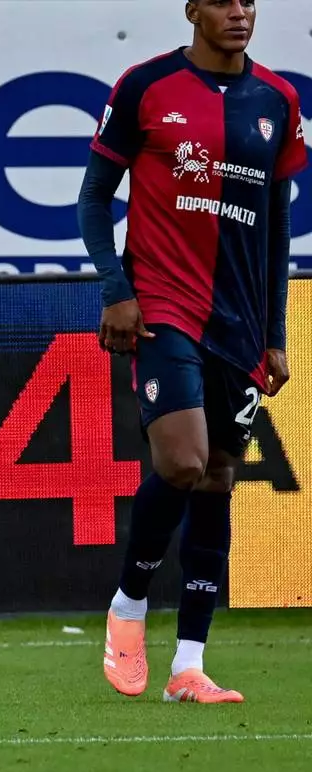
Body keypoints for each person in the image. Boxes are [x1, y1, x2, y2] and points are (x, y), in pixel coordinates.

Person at [78, 0, 306, 703]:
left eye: (250, 2)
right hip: (164, 306)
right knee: (180, 461)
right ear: (193, 11)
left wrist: (274, 334)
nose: (240, 13)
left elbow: (275, 226)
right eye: (224, 1)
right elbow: (92, 200)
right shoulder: (146, 86)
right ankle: (128, 604)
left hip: (238, 320)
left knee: (216, 478)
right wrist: (117, 287)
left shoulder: (278, 99)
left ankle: (189, 664)